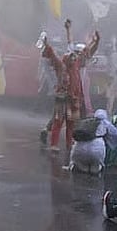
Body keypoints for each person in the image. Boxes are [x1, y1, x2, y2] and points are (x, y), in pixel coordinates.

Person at [41, 19, 100, 152]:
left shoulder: (78, 63)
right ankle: (54, 144)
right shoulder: (61, 65)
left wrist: (96, 42)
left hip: (74, 98)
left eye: (76, 56)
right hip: (63, 97)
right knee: (58, 121)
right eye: (73, 56)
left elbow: (88, 51)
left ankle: (69, 144)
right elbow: (53, 53)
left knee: (71, 123)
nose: (75, 58)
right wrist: (46, 44)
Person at [67, 108, 117, 174]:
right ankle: (94, 172)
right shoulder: (105, 122)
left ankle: (81, 170)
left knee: (82, 169)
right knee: (95, 169)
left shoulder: (86, 122)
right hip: (96, 150)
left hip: (78, 150)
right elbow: (116, 134)